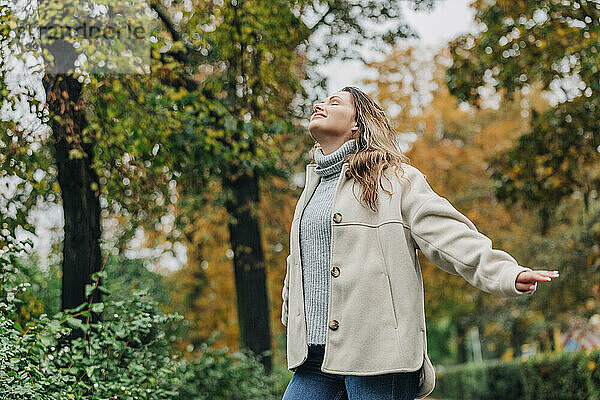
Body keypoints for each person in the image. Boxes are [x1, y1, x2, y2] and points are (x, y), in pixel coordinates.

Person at [280, 86, 560, 400]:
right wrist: (291, 319)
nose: (320, 104)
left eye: (334, 102)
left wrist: (506, 272)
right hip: (315, 357)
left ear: (357, 124)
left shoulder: (396, 180)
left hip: (378, 354)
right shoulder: (311, 189)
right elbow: (298, 265)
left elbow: (448, 235)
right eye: (322, 100)